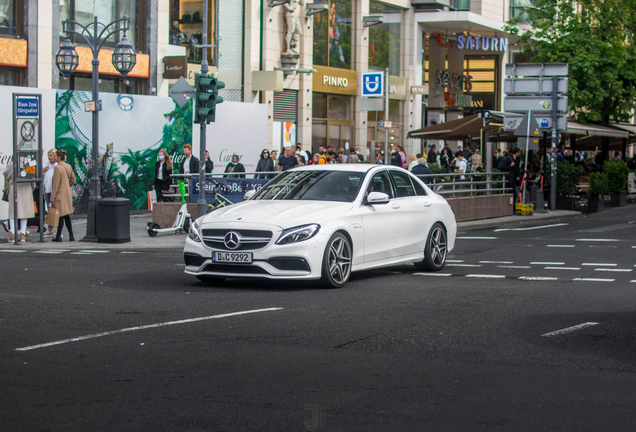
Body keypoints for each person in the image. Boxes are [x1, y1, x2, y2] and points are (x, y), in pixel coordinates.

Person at [3, 160, 35, 243]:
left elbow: (5, 173)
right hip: (27, 187)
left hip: (15, 187)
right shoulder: (29, 163)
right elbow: (33, 176)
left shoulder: (12, 164)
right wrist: (32, 186)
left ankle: (13, 233)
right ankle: (22, 233)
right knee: (25, 211)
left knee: (13, 211)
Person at [50, 150, 76, 242]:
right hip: (67, 193)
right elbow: (73, 180)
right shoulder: (68, 166)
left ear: (59, 157)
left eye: (55, 156)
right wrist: (67, 184)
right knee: (66, 215)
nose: (54, 157)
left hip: (60, 194)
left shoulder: (58, 168)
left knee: (61, 215)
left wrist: (52, 197)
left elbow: (55, 184)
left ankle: (59, 236)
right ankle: (71, 235)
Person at [42, 148, 58, 236]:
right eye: (48, 155)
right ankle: (50, 228)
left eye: (51, 155)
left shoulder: (57, 166)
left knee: (54, 210)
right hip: (47, 190)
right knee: (49, 210)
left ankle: (52, 228)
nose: (49, 157)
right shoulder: (48, 166)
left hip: (53, 191)